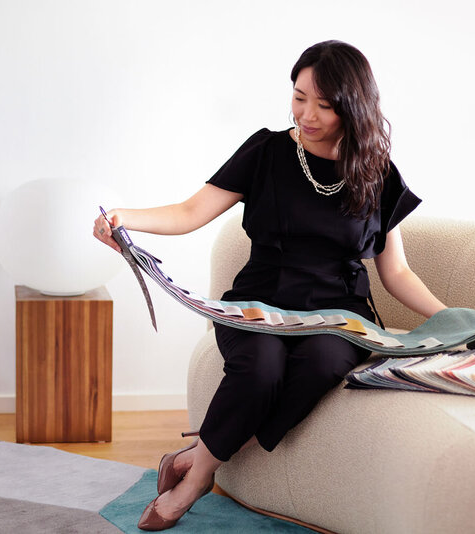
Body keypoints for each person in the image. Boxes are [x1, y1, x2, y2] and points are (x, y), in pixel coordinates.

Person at [93, 40, 447, 531]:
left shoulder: (376, 172)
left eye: (324, 105)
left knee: (318, 367)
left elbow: (396, 272)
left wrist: (446, 318)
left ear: (354, 107)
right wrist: (124, 217)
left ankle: (195, 455)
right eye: (299, 97)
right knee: (259, 373)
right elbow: (190, 212)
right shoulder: (267, 150)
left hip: (337, 316)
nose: (307, 113)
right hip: (258, 303)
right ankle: (198, 481)